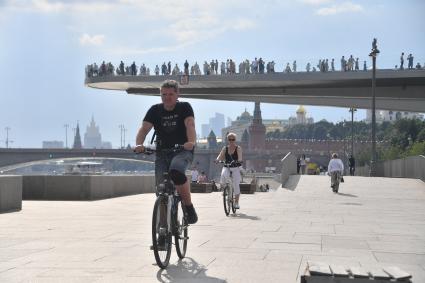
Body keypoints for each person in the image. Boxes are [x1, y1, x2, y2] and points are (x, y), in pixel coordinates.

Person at [134, 79, 198, 224]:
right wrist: (139, 144)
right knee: (161, 191)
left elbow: (190, 125)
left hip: (182, 150)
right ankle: (163, 231)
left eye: (170, 94)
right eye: (163, 94)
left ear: (177, 94)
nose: (167, 97)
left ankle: (188, 207)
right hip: (162, 152)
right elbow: (144, 129)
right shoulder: (155, 110)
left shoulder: (184, 107)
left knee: (176, 171)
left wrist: (191, 142)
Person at [215, 132, 243, 209]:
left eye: (233, 139)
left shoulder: (238, 148)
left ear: (235, 140)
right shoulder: (225, 148)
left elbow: (240, 157)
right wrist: (217, 160)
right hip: (227, 166)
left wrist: (239, 160)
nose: (231, 141)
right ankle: (225, 188)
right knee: (223, 175)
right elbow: (220, 155)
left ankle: (236, 203)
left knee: (236, 185)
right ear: (228, 140)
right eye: (230, 139)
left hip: (235, 168)